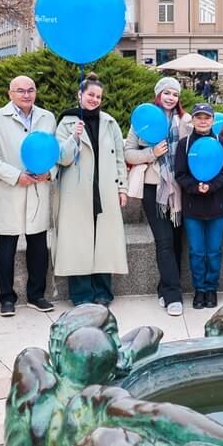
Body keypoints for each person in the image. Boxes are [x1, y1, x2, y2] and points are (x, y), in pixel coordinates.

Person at [0, 76, 57, 317]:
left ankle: (37, 295)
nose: (26, 94)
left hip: (38, 190)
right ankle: (7, 298)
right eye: (20, 90)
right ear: (9, 94)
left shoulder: (47, 117)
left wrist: (50, 173)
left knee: (38, 247)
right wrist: (15, 176)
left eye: (31, 90)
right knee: (6, 249)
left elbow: (55, 151)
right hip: (10, 190)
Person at [54, 73, 129, 306]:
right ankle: (81, 295)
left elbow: (119, 157)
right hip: (76, 193)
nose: (94, 99)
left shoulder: (110, 123)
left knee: (104, 241)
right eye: (90, 95)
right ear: (80, 95)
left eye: (98, 96)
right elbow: (61, 158)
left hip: (105, 189)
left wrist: (122, 188)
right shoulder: (66, 122)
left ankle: (103, 292)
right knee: (78, 242)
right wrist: (74, 137)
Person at [124, 77, 193, 316]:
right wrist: (151, 153)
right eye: (167, 93)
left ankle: (164, 287)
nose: (171, 98)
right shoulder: (143, 121)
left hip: (179, 188)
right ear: (158, 94)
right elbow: (128, 153)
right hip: (154, 188)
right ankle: (174, 295)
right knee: (163, 241)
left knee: (176, 240)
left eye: (175, 94)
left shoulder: (185, 121)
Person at [174, 103, 223, 309]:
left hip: (217, 206)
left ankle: (211, 288)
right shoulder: (184, 144)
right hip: (193, 208)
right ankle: (199, 289)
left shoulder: (221, 142)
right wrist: (195, 187)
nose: (202, 121)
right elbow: (180, 173)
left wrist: (211, 186)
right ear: (193, 120)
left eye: (206, 117)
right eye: (198, 117)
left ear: (212, 120)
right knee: (197, 251)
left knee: (214, 250)